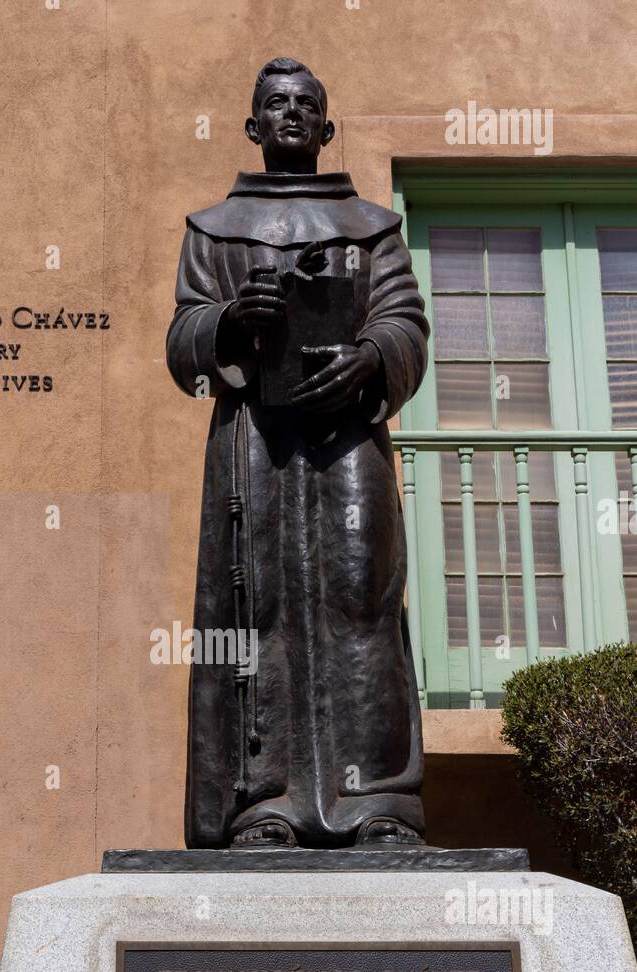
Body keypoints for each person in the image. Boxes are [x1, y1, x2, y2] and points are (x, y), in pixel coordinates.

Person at [167, 57, 429, 849]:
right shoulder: (212, 229)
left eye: (304, 104)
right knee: (257, 608)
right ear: (252, 126)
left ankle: (380, 804)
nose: (289, 113)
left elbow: (405, 321)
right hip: (255, 442)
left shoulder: (372, 225)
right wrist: (229, 323)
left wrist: (373, 357)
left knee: (364, 601)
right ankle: (261, 804)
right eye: (274, 103)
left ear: (326, 128)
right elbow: (182, 339)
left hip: (347, 436)